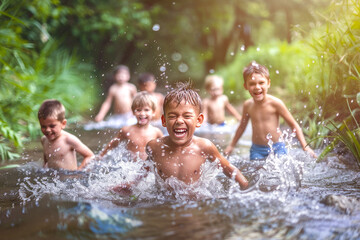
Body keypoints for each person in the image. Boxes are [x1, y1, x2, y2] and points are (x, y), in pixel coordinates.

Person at [145, 82, 248, 189]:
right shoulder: (155, 147)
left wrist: (245, 187)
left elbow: (229, 168)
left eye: (187, 116)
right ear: (164, 120)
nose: (179, 121)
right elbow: (142, 171)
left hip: (194, 202)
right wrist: (130, 185)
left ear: (199, 121)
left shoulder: (204, 147)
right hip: (164, 203)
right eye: (172, 116)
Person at [224, 61, 317, 160]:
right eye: (252, 84)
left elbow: (293, 125)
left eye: (261, 83)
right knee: (256, 171)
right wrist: (231, 145)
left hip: (277, 147)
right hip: (257, 149)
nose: (257, 87)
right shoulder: (248, 105)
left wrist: (305, 146)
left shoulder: (276, 103)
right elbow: (242, 127)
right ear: (245, 86)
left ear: (268, 83)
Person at [99, 91, 163, 160]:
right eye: (138, 110)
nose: (142, 113)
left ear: (153, 112)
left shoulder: (156, 132)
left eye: (146, 110)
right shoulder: (126, 130)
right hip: (132, 168)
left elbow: (165, 149)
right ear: (133, 112)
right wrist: (101, 156)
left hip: (149, 167)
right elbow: (113, 144)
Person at [38, 99, 94, 170]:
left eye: (52, 126)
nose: (47, 130)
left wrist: (78, 172)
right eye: (43, 126)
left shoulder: (68, 140)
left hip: (70, 178)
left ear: (63, 124)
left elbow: (90, 156)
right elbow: (46, 160)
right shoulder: (44, 140)